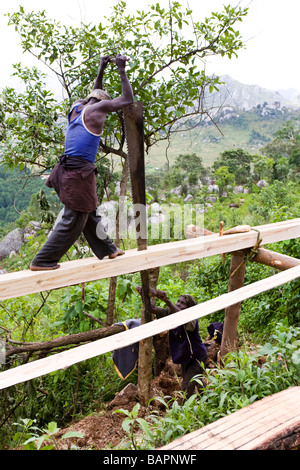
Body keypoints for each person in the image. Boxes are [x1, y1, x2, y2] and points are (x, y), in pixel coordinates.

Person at [30, 54, 134, 271]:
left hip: (68, 170)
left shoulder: (77, 107)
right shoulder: (97, 111)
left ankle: (108, 249)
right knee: (73, 218)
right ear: (102, 103)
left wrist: (101, 68)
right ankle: (43, 260)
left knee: (88, 210)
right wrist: (122, 70)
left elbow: (95, 92)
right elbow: (127, 100)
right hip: (79, 174)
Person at [137, 286, 207, 398]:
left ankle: (186, 410)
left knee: (187, 386)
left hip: (197, 357)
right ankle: (206, 399)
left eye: (182, 303)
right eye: (178, 301)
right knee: (195, 382)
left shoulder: (192, 318)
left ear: (189, 307)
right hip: (186, 357)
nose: (178, 304)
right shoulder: (171, 312)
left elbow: (181, 317)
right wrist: (143, 296)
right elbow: (152, 309)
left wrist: (166, 301)